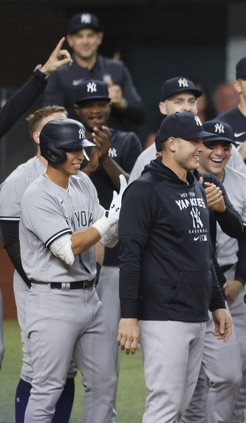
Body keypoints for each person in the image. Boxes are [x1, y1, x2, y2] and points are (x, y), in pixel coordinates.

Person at [117, 112, 233, 422]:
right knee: (165, 407)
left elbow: (203, 252)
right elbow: (130, 255)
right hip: (163, 315)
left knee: (179, 408)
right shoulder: (144, 189)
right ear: (171, 143)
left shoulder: (195, 185)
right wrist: (129, 315)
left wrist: (217, 303)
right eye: (195, 142)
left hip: (196, 312)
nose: (201, 148)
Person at [19, 118, 121, 421]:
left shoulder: (83, 183)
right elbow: (67, 249)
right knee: (48, 388)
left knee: (105, 382)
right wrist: (107, 221)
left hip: (90, 297)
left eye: (82, 148)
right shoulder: (37, 195)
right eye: (72, 149)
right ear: (51, 151)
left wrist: (115, 222)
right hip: (52, 301)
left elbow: (107, 239)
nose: (81, 155)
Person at [0, 106, 78, 423]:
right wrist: (34, 280)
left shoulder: (77, 176)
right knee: (36, 363)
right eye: (55, 125)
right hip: (36, 283)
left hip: (73, 282)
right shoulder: (20, 179)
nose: (65, 128)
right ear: (38, 137)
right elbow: (10, 238)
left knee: (67, 364)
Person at [72, 79, 142, 400]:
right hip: (73, 252)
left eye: (100, 103)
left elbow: (136, 191)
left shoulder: (126, 140)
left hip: (113, 257)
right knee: (64, 358)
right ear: (77, 110)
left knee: (105, 355)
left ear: (109, 106)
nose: (95, 110)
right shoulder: (66, 139)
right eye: (88, 104)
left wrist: (107, 159)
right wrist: (91, 164)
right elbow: (60, 186)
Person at [194, 119, 246, 422]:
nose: (219, 152)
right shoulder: (183, 179)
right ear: (199, 146)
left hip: (233, 276)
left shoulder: (241, 181)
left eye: (225, 146)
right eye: (211, 145)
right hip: (197, 281)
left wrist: (240, 279)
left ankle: (232, 417)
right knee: (195, 370)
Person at [129, 77, 246, 183]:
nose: (186, 107)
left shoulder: (221, 146)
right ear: (163, 107)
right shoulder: (146, 157)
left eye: (191, 101)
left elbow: (245, 189)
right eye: (178, 101)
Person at [43, 12, 145, 131]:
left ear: (99, 38)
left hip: (114, 143)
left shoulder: (117, 69)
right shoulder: (59, 73)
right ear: (70, 40)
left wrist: (121, 103)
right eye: (79, 36)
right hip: (75, 145)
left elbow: (140, 116)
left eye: (90, 35)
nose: (85, 41)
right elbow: (50, 119)